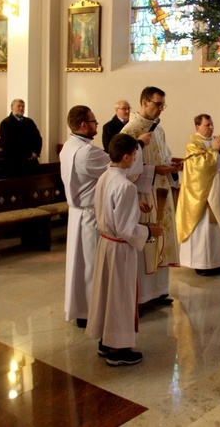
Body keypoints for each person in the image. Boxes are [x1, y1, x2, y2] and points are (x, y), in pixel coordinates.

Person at [59, 105, 153, 328]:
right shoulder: (87, 152)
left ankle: (81, 309)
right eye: (93, 122)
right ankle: (93, 312)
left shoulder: (68, 146)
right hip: (92, 214)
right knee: (93, 266)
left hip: (77, 214)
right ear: (83, 125)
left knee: (80, 266)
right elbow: (119, 168)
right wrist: (139, 144)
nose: (96, 125)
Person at [86, 133, 162, 366]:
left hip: (106, 243)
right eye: (135, 155)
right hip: (120, 249)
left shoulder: (106, 176)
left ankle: (105, 341)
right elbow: (127, 229)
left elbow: (108, 207)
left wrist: (134, 206)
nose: (136, 159)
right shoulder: (127, 186)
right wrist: (149, 231)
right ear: (127, 156)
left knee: (107, 294)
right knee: (120, 297)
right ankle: (118, 351)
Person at [121, 86, 181, 307]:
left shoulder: (159, 129)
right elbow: (123, 168)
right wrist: (154, 170)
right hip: (143, 195)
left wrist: (170, 166)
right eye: (158, 104)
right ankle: (142, 296)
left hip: (161, 194)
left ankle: (158, 291)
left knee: (159, 240)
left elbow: (164, 154)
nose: (161, 110)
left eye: (163, 105)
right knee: (147, 242)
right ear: (144, 102)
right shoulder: (130, 130)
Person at [175, 114, 220, 276]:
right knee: (204, 231)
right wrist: (214, 150)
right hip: (203, 197)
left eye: (212, 125)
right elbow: (199, 168)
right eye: (207, 125)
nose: (211, 128)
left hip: (219, 195)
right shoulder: (193, 144)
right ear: (197, 127)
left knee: (217, 231)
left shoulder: (214, 141)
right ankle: (202, 264)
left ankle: (217, 262)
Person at [0, 98, 43, 176]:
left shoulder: (29, 122)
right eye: (19, 106)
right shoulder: (6, 124)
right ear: (12, 108)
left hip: (32, 162)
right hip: (15, 164)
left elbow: (38, 138)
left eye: (23, 106)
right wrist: (29, 154)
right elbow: (10, 144)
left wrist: (36, 153)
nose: (21, 108)